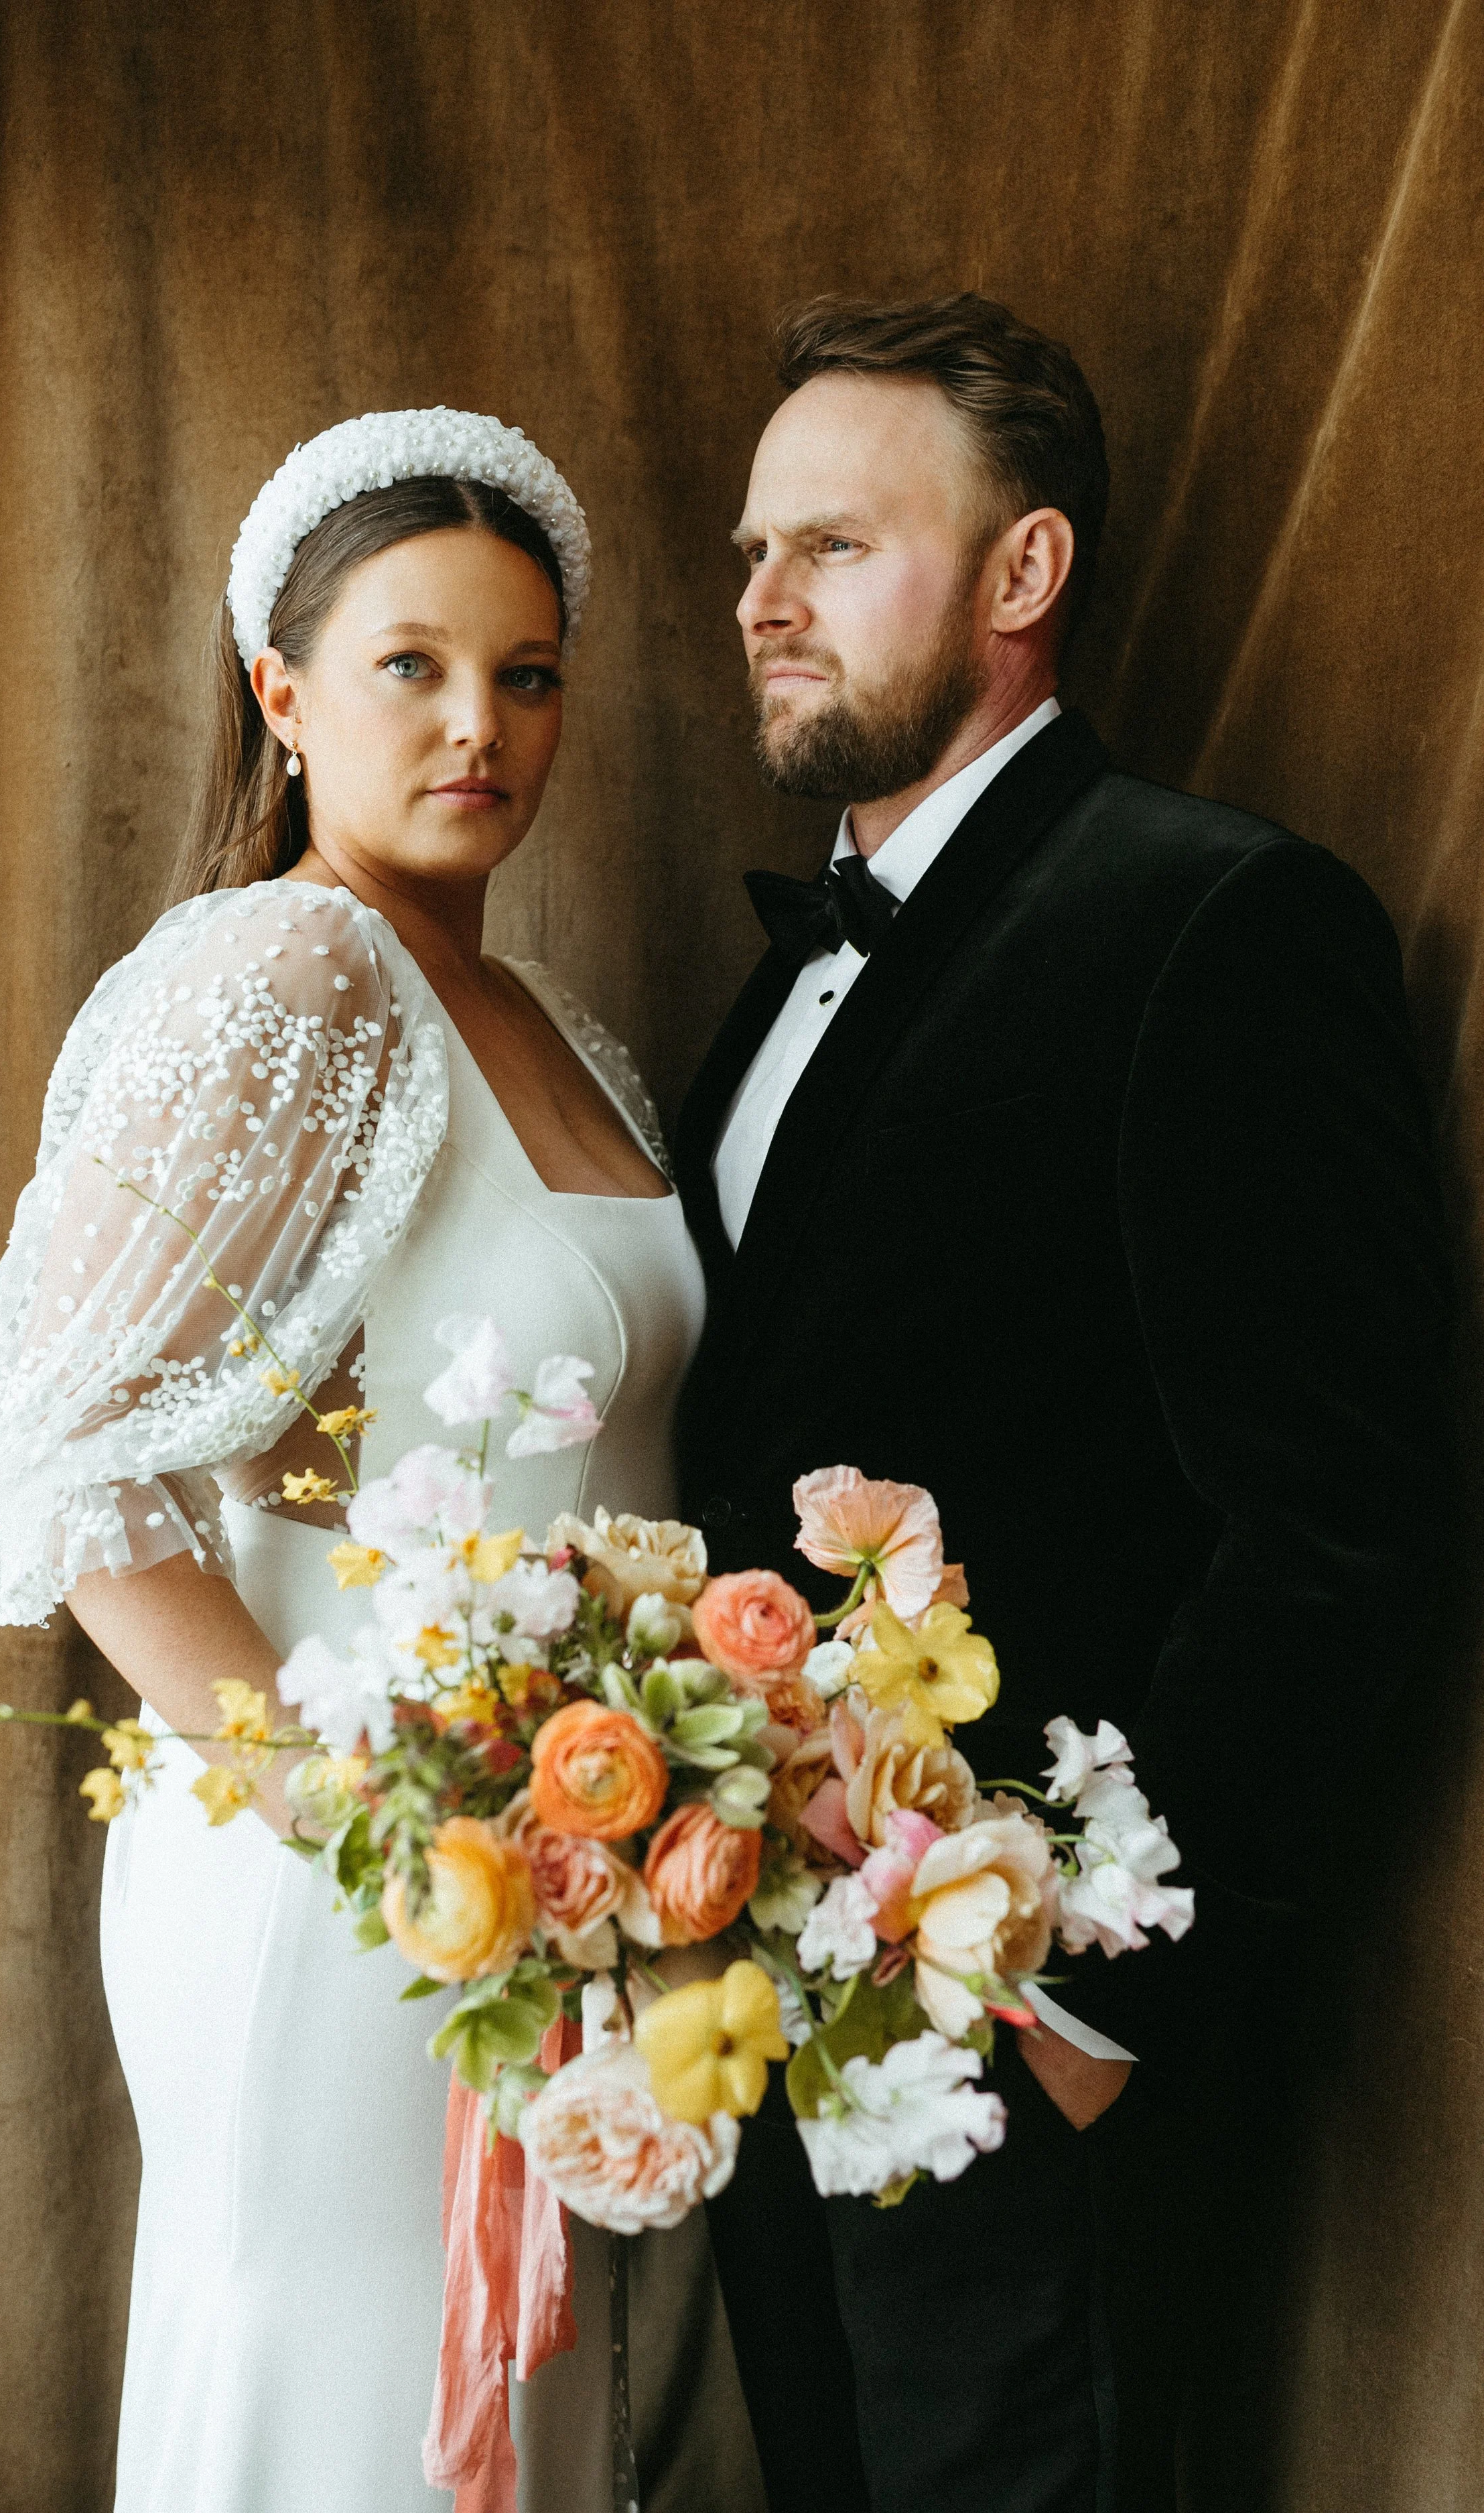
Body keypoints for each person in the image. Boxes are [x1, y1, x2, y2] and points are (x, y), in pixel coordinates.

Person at [0, 410, 763, 2513]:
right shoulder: (286, 967)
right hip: (355, 1898)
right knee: (357, 2426)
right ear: (283, 694)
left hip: (560, 1867)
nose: (479, 724)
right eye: (412, 665)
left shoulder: (551, 1021)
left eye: (528, 672)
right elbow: (72, 1465)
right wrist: (370, 1820)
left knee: (530, 2417)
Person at [673, 296, 1455, 2512]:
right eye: (751, 552)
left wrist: (1087, 2014)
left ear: (1022, 577)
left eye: (827, 545)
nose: (757, 600)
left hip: (1028, 2060)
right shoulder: (776, 982)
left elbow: (1338, 1523)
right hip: (768, 2030)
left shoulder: (1222, 922)